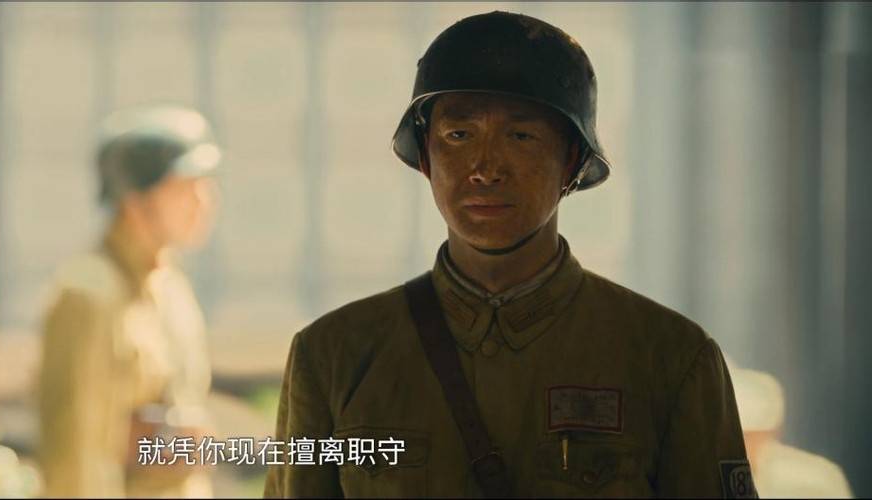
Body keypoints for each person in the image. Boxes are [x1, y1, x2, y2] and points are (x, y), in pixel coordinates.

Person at [264, 11, 753, 498]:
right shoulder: (334, 356)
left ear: (572, 160)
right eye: (459, 135)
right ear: (426, 156)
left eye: (521, 136)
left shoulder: (669, 359)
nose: (485, 167)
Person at [38, 105, 220, 498]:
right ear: (135, 201)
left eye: (205, 186)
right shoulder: (88, 295)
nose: (202, 202)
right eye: (183, 188)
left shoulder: (171, 285)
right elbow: (74, 456)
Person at [731, 367, 852, 498]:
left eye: (749, 436)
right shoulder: (720, 481)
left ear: (772, 432)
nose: (743, 445)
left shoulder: (815, 480)